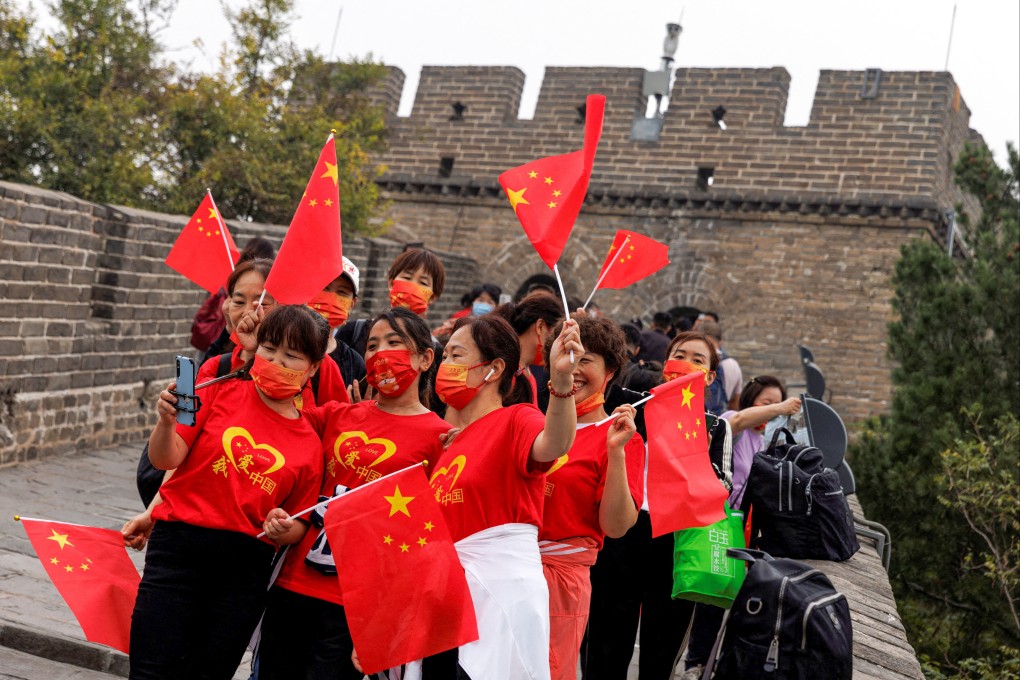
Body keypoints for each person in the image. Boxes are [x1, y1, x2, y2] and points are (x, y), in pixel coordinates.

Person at [122, 305, 329, 680]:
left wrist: (284, 527)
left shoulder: (311, 444)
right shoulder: (218, 389)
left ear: (312, 368)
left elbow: (301, 523)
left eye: (291, 356)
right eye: (269, 348)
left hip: (242, 570)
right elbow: (167, 456)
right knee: (151, 669)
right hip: (177, 551)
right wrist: (165, 424)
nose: (275, 360)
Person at [257, 307, 451, 680]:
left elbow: (425, 546)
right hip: (293, 585)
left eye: (395, 343)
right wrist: (255, 350)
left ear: (426, 358)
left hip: (358, 606)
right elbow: (275, 412)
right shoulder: (338, 416)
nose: (381, 354)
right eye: (373, 345)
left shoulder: (440, 439)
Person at [422, 314, 582, 679]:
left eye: (456, 356)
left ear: (493, 368)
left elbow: (554, 443)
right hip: (446, 603)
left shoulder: (517, 419)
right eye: (444, 356)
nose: (445, 366)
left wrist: (560, 383)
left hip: (497, 602)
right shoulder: (451, 443)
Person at [584, 330, 725, 680]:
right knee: (606, 640)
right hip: (625, 528)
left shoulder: (713, 426)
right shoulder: (633, 402)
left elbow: (722, 489)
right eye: (680, 354)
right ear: (666, 363)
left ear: (709, 376)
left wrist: (701, 459)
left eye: (698, 359)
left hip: (677, 539)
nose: (687, 363)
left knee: (662, 647)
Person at [539, 315, 644, 680]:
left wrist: (616, 453)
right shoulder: (534, 425)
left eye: (586, 359)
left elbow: (615, 527)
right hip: (509, 572)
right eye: (568, 354)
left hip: (560, 586)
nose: (574, 366)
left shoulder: (619, 437)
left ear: (611, 370)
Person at [679, 376, 800, 679]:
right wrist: (782, 407)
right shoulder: (733, 421)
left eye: (777, 406)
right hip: (710, 519)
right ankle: (692, 661)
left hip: (737, 528)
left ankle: (705, 664)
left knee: (721, 599)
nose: (772, 411)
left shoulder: (764, 442)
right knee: (698, 593)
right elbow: (742, 419)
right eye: (766, 403)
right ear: (751, 400)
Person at [192, 236, 275, 362]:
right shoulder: (221, 360)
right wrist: (229, 329)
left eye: (261, 303)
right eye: (239, 302)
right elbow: (207, 375)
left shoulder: (288, 357)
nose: (247, 312)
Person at [493, 292, 564, 410]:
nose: (556, 345)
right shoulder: (501, 369)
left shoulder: (528, 375)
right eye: (555, 336)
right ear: (540, 326)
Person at [308, 256, 366, 388]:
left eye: (342, 292)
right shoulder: (280, 343)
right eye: (325, 287)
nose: (331, 297)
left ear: (352, 304)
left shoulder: (354, 363)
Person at [434, 282, 503, 344]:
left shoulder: (498, 327)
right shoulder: (458, 320)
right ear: (473, 302)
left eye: (490, 302)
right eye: (480, 300)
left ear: (497, 306)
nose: (484, 304)